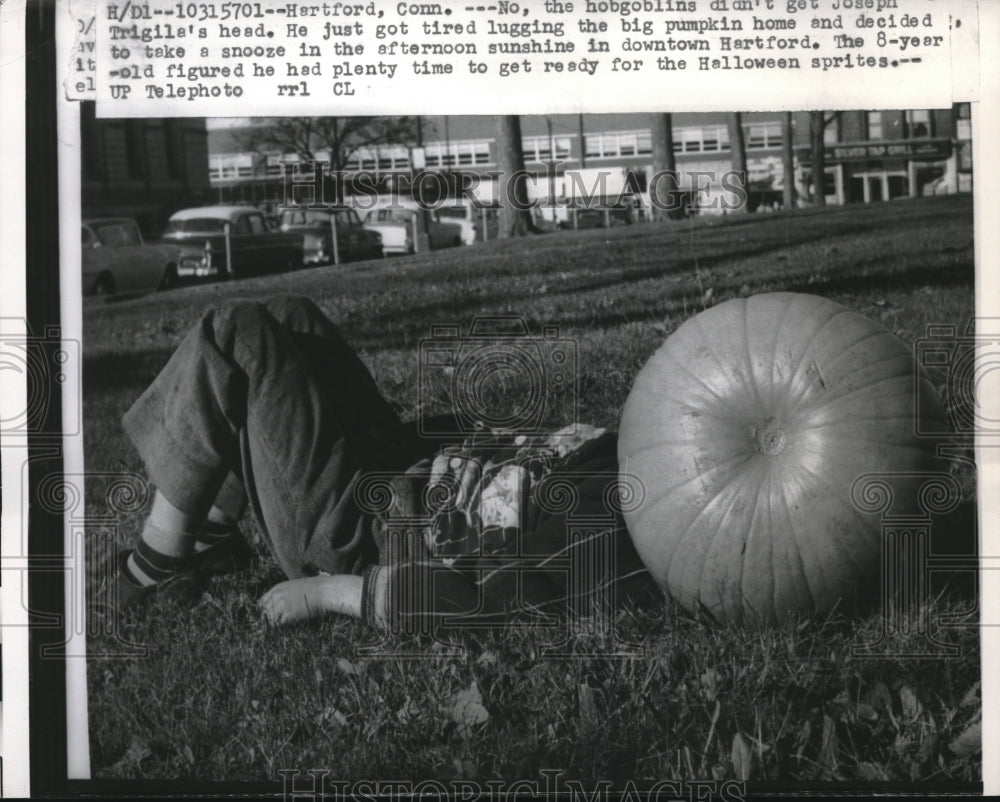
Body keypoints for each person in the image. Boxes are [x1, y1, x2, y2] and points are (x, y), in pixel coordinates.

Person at [108, 295, 655, 635]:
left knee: (237, 334)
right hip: (399, 468)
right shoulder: (623, 459)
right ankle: (215, 532)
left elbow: (486, 608)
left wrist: (331, 594)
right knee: (294, 318)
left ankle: (156, 567)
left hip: (356, 533)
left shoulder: (612, 544)